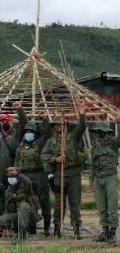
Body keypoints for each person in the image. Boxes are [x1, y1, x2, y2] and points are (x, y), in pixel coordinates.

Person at [41, 102, 86, 239]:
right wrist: (56, 159)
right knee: (59, 204)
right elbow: (43, 155)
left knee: (74, 203)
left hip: (73, 174)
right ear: (54, 128)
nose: (59, 127)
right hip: (58, 175)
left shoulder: (72, 137)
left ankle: (76, 227)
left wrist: (82, 114)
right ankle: (57, 227)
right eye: (56, 126)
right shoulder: (50, 141)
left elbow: (82, 127)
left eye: (61, 125)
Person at [14, 116, 52, 236]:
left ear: (35, 134)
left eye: (31, 132)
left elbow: (47, 134)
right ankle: (31, 226)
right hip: (25, 175)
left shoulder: (40, 144)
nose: (28, 134)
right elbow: (16, 162)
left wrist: (45, 121)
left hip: (39, 174)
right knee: (28, 201)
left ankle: (46, 226)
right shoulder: (20, 147)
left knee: (44, 200)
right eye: (26, 132)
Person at [90, 121, 119, 245]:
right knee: (101, 206)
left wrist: (118, 122)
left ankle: (112, 231)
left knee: (112, 205)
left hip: (110, 177)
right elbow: (92, 165)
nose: (100, 135)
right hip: (98, 178)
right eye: (98, 132)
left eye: (102, 132)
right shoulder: (94, 147)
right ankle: (105, 230)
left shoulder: (113, 143)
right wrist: (92, 180)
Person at [0, 102, 27, 187]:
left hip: (13, 170)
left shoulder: (17, 134)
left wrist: (19, 110)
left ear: (11, 123)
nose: (4, 124)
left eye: (7, 122)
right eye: (2, 122)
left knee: (13, 189)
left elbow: (23, 123)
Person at [0, 167, 36, 239]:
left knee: (24, 205)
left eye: (13, 177)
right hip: (16, 216)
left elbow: (28, 182)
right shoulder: (8, 191)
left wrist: (18, 174)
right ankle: (13, 230)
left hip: (28, 215)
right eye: (9, 177)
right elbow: (7, 208)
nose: (11, 179)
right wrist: (5, 228)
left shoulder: (25, 188)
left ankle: (22, 232)